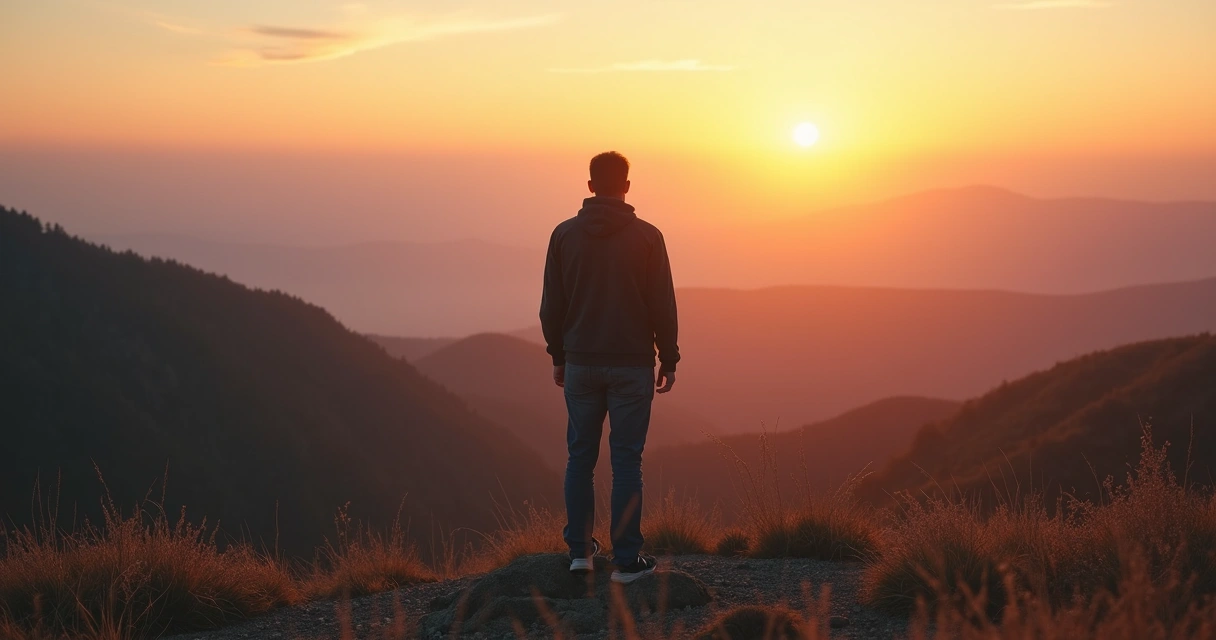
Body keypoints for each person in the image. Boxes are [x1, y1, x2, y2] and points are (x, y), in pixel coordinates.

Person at [540, 151, 680, 584]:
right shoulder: (648, 238)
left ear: (589, 186)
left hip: (581, 364)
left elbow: (551, 307)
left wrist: (559, 356)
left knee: (579, 457)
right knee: (626, 463)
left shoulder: (563, 235)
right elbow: (663, 305)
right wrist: (668, 358)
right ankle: (626, 561)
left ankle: (580, 554)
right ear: (627, 187)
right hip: (632, 366)